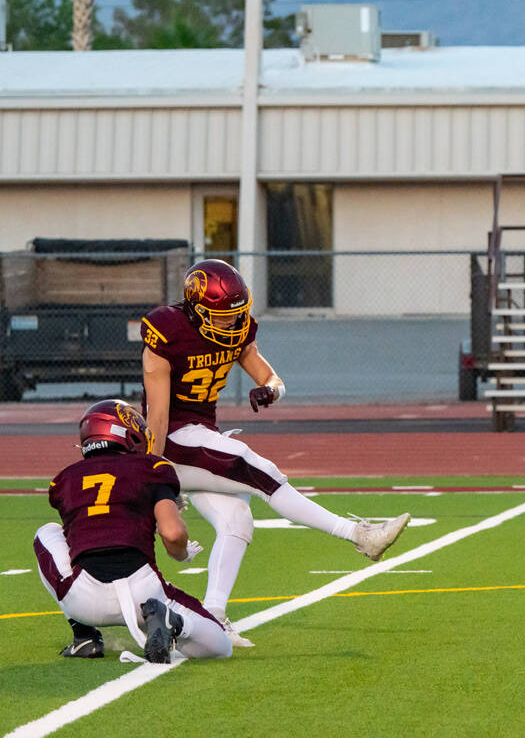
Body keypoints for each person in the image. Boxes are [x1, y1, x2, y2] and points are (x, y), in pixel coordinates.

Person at [141, 258, 410, 646]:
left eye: (238, 314)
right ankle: (359, 535)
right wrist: (156, 474)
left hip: (202, 436)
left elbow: (272, 376)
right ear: (198, 311)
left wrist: (271, 390)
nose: (232, 323)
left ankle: (212, 618)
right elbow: (159, 416)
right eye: (223, 316)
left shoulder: (235, 330)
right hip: (175, 441)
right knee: (259, 468)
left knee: (237, 521)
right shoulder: (167, 332)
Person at [35, 399, 232, 663]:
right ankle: (174, 622)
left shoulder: (64, 479)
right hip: (143, 591)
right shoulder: (153, 468)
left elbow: (83, 531)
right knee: (220, 645)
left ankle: (84, 637)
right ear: (128, 434)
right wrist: (182, 552)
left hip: (84, 601)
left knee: (47, 533)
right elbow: (172, 533)